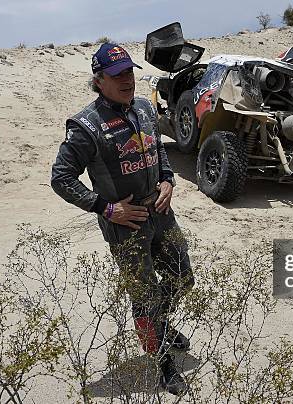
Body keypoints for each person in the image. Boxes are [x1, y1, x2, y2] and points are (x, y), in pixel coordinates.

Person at [51, 43, 194, 396]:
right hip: (125, 223)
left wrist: (167, 179)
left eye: (129, 71)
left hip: (159, 209)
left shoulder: (144, 106)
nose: (127, 79)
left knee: (182, 276)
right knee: (144, 293)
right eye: (117, 75)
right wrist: (105, 207)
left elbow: (158, 147)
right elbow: (61, 178)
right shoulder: (85, 126)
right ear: (99, 81)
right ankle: (162, 362)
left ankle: (157, 323)